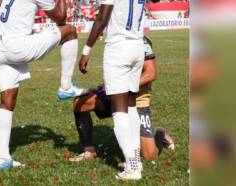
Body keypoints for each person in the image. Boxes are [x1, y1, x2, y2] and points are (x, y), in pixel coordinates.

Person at [0, 0, 87, 170]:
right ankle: (65, 86)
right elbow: (61, 17)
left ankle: (3, 158)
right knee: (70, 31)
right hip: (17, 47)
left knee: (7, 101)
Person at [79, 0, 160, 180]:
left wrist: (86, 49)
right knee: (132, 105)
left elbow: (102, 19)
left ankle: (134, 166)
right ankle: (133, 161)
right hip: (137, 47)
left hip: (118, 49)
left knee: (120, 110)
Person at [70, 36, 175, 164]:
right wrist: (101, 88)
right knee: (81, 102)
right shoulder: (114, 38)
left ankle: (160, 134)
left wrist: (123, 87)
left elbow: (151, 73)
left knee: (149, 155)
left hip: (137, 100)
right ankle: (89, 151)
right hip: (115, 95)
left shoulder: (141, 41)